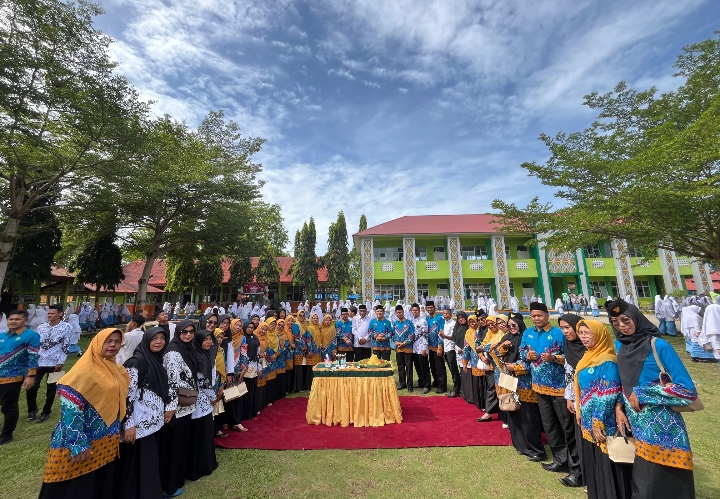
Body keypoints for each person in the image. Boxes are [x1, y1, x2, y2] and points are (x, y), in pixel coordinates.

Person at [607, 299, 697, 499]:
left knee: (662, 483)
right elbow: (623, 382)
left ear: (637, 318)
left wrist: (643, 393)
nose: (621, 325)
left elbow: (687, 390)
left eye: (625, 320)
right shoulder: (619, 345)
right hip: (636, 425)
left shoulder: (658, 345)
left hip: (664, 429)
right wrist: (619, 408)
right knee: (642, 482)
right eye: (615, 322)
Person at [38, 328, 129, 499]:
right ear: (97, 343)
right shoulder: (82, 372)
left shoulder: (116, 369)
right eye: (108, 341)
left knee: (97, 484)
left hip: (106, 439)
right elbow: (70, 412)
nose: (113, 345)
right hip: (82, 441)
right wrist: (78, 443)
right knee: (74, 487)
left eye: (117, 341)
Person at [522, 302, 581, 487]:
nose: (536, 318)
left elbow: (571, 357)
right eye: (533, 316)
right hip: (538, 386)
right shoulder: (528, 332)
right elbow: (522, 350)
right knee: (549, 425)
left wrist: (554, 358)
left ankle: (574, 465)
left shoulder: (557, 333)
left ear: (547, 315)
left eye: (539, 315)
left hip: (560, 388)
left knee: (566, 426)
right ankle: (559, 459)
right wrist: (527, 356)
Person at [573, 319, 632, 499]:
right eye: (581, 333)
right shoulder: (587, 356)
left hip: (604, 422)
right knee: (596, 461)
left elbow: (607, 393)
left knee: (608, 462)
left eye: (588, 333)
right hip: (589, 420)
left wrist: (597, 421)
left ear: (599, 335)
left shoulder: (607, 360)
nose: (583, 337)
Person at [117, 326, 171, 499]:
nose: (159, 342)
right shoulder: (137, 362)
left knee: (148, 463)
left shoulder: (156, 360)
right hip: (137, 425)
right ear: (147, 340)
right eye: (155, 338)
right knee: (136, 463)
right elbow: (126, 396)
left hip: (152, 423)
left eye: (162, 338)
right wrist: (129, 424)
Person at [496, 314, 546, 460]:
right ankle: (520, 445)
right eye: (509, 325)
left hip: (525, 383)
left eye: (514, 325)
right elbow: (498, 354)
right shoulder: (508, 338)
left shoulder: (527, 338)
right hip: (509, 380)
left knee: (529, 417)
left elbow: (532, 362)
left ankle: (535, 449)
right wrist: (503, 348)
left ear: (520, 324)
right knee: (512, 413)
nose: (511, 328)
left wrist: (515, 367)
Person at [160, 319, 199, 498]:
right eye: (184, 332)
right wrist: (170, 408)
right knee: (173, 447)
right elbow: (172, 383)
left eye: (191, 331)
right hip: (176, 408)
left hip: (186, 405)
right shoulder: (174, 353)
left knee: (181, 444)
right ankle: (169, 485)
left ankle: (176, 479)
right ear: (178, 333)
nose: (188, 335)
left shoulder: (187, 349)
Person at [27, 304, 72, 424]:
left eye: (52, 313)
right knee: (32, 386)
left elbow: (66, 346)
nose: (49, 315)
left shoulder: (66, 327)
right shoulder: (41, 327)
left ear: (60, 314)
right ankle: (32, 409)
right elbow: (36, 343)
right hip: (39, 361)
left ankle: (46, 412)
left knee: (51, 388)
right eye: (48, 313)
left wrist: (61, 362)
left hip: (55, 363)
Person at [0, 310, 39, 444]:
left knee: (8, 406)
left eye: (17, 319)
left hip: (13, 376)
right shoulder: (3, 335)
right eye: (11, 319)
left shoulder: (31, 335)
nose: (13, 321)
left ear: (25, 321)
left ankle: (6, 435)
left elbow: (33, 356)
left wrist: (31, 375)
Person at [187, 329, 218, 481]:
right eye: (205, 339)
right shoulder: (200, 357)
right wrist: (213, 396)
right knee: (201, 435)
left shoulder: (201, 354)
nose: (208, 342)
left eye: (210, 339)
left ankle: (204, 464)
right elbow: (203, 382)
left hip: (199, 402)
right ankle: (200, 466)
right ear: (198, 341)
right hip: (200, 402)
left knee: (201, 435)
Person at [392, 305, 415, 391]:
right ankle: (402, 383)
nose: (399, 314)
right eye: (397, 312)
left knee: (409, 367)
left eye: (400, 312)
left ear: (403, 312)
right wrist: (396, 342)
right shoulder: (395, 324)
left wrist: (404, 343)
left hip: (407, 347)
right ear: (395, 313)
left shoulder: (409, 323)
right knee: (400, 366)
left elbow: (412, 334)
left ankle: (410, 386)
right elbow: (393, 335)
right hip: (398, 348)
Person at [425, 301, 446, 393]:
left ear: (434, 308)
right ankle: (436, 382)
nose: (429, 309)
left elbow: (441, 333)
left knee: (439, 367)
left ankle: (442, 386)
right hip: (429, 347)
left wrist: (440, 347)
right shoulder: (426, 319)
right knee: (432, 366)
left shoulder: (439, 318)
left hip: (437, 347)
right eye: (428, 308)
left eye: (431, 307)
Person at [410, 303, 430, 394]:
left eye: (416, 310)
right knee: (417, 366)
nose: (415, 312)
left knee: (424, 366)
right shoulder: (411, 321)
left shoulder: (423, 321)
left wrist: (424, 348)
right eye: (413, 310)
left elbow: (425, 335)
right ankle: (421, 382)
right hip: (414, 347)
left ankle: (427, 385)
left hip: (421, 347)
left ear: (419, 311)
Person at [441, 308, 461, 398]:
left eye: (447, 313)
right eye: (444, 313)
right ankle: (457, 388)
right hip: (446, 349)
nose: (445, 315)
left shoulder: (453, 324)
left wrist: (444, 336)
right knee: (451, 370)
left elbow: (453, 337)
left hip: (452, 349)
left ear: (451, 314)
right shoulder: (445, 323)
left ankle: (457, 389)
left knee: (454, 370)